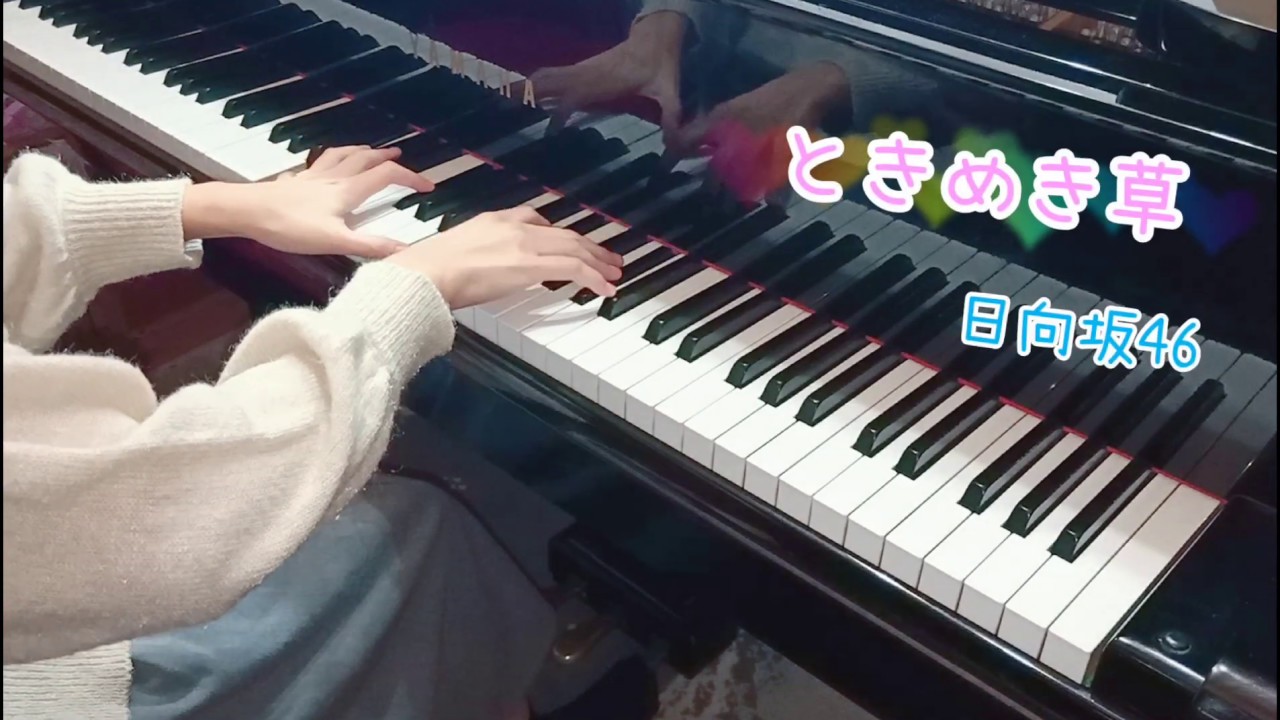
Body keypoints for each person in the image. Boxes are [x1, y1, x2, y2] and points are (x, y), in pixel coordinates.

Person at [2, 144, 625, 720]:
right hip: (52, 682)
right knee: (416, 524)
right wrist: (412, 290)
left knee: (391, 504)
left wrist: (216, 205)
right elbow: (176, 507)